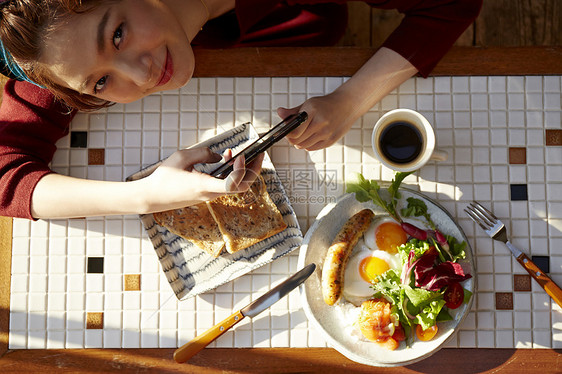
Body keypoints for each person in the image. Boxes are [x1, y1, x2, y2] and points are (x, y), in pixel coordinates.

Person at [0, 0, 482, 220]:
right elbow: (6, 174)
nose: (142, 74)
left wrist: (349, 99)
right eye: (102, 81)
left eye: (118, 33)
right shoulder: (53, 45)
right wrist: (144, 196)